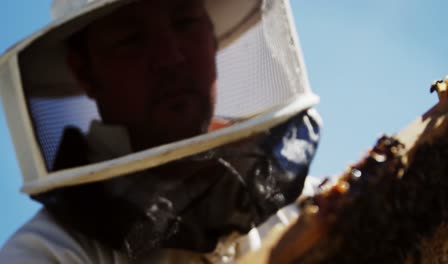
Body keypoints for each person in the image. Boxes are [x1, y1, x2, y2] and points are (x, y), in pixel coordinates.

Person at [0, 0, 321, 262]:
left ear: (211, 34)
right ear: (84, 71)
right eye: (132, 39)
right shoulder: (48, 254)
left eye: (185, 22)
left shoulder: (307, 207)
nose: (171, 58)